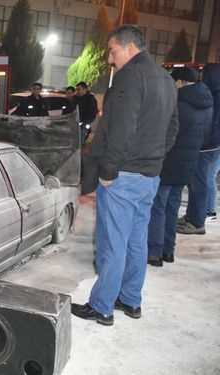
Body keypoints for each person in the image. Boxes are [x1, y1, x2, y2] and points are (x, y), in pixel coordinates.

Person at [72, 25, 179, 326]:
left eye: (112, 51)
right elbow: (173, 129)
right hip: (150, 175)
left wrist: (109, 170)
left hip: (122, 175)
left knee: (113, 243)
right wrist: (153, 159)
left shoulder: (130, 76)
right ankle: (131, 300)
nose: (110, 58)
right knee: (136, 240)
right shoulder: (166, 78)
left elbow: (121, 128)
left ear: (129, 48)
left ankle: (102, 306)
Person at [146, 67, 213, 267]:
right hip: (189, 163)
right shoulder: (208, 103)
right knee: (172, 207)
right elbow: (206, 138)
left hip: (168, 161)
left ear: (181, 82)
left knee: (158, 206)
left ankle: (154, 252)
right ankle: (168, 251)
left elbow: (164, 132)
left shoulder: (177, 101)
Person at [177, 63, 220, 234]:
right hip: (211, 145)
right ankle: (193, 216)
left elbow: (212, 124)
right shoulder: (213, 93)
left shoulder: (214, 95)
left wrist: (202, 142)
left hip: (207, 147)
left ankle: (196, 221)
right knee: (200, 181)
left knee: (199, 183)